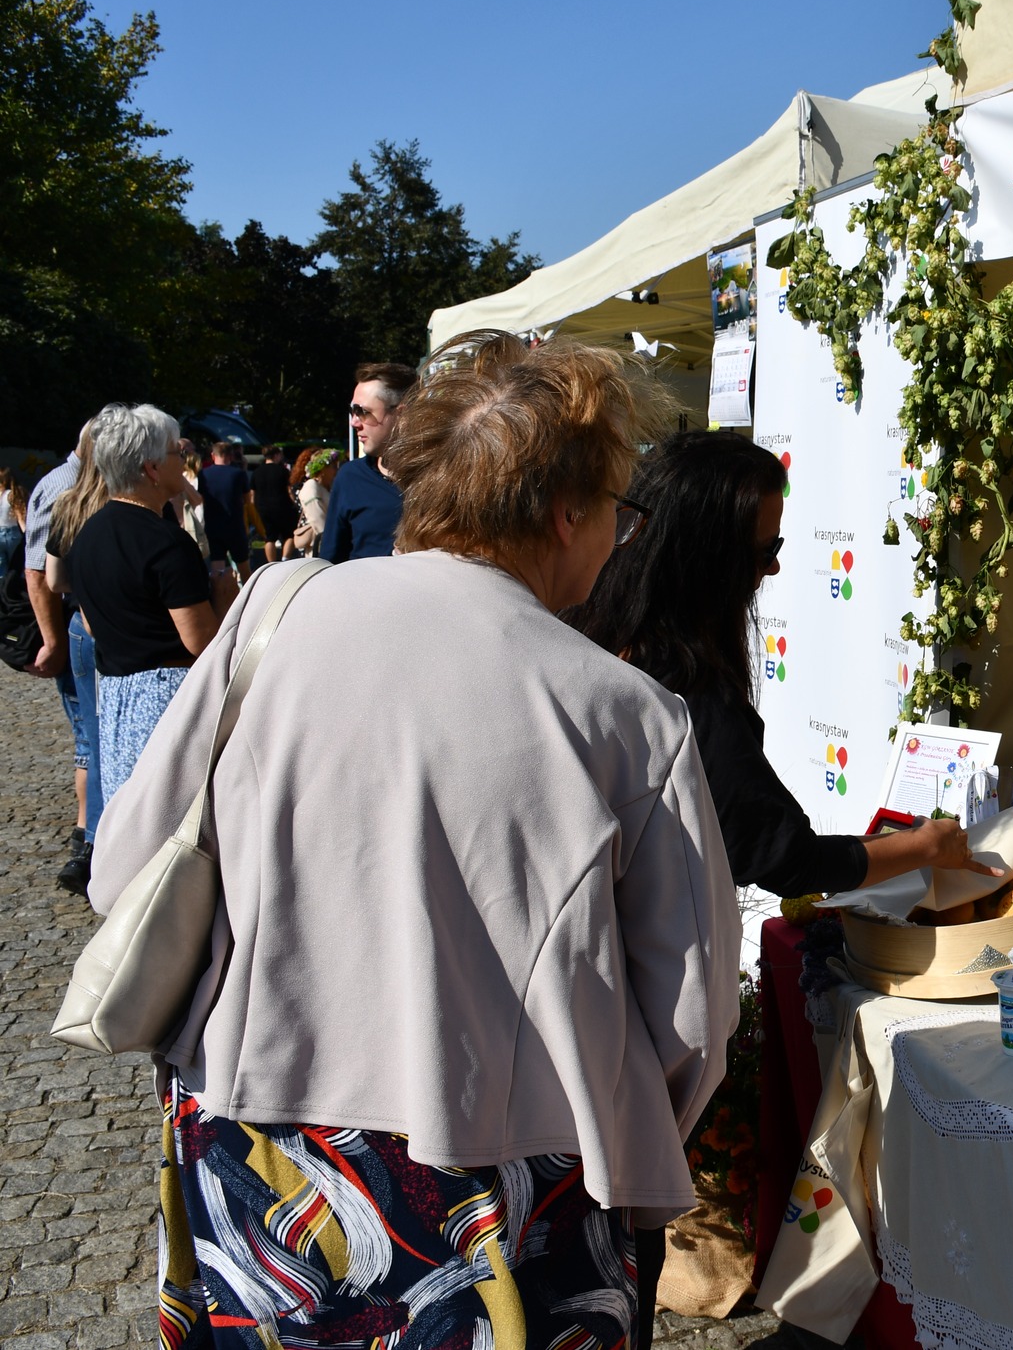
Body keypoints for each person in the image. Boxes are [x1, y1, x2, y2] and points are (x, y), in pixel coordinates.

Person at [93, 330, 738, 1348]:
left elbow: (125, 866)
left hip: (254, 1142)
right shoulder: (627, 715)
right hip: (507, 1183)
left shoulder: (273, 617)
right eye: (618, 510)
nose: (619, 537)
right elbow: (690, 1018)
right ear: (567, 511)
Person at [568, 431, 999, 896]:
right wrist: (926, 846)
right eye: (764, 551)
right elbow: (789, 859)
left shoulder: (591, 638)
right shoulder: (687, 691)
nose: (772, 568)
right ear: (707, 558)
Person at [63, 405, 233, 802]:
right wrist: (225, 598)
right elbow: (200, 642)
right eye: (177, 452)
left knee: (130, 810)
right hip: (167, 698)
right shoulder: (166, 542)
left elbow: (91, 625)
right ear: (151, 467)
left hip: (116, 699)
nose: (183, 461)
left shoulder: (87, 535)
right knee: (174, 814)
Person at [24, 418, 101, 894]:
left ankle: (85, 836)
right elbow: (40, 574)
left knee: (90, 737)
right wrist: (52, 641)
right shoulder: (64, 487)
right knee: (88, 737)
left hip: (85, 622)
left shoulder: (79, 484)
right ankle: (86, 840)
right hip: (80, 625)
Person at [322, 360, 416, 561]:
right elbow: (330, 561)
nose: (354, 422)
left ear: (401, 415)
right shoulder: (350, 478)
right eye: (352, 412)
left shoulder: (441, 478)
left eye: (363, 412)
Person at [196, 440, 251, 579]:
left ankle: (220, 591)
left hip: (213, 524)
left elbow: (201, 498)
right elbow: (247, 499)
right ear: (231, 456)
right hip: (235, 525)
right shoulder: (239, 474)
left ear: (213, 455)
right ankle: (249, 591)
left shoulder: (203, 474)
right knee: (243, 565)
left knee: (217, 567)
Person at [289, 446, 340, 556]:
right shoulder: (311, 487)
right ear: (323, 469)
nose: (336, 471)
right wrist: (332, 541)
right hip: (319, 549)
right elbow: (318, 520)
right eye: (333, 467)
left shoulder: (328, 488)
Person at [249, 443, 295, 563]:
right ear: (276, 455)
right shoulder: (283, 471)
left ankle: (272, 564)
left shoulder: (257, 472)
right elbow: (289, 490)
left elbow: (252, 494)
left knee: (269, 538)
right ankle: (285, 559)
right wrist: (294, 503)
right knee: (289, 535)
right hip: (282, 506)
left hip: (263, 508)